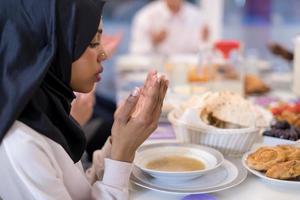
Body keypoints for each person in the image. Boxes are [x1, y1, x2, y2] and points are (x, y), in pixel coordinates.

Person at [0, 0, 168, 199]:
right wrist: (123, 153)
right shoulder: (22, 144)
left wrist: (120, 138)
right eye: (93, 43)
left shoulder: (48, 107)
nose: (104, 54)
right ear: (50, 46)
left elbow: (81, 192)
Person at [130, 0, 210, 55]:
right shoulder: (146, 16)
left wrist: (205, 42)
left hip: (188, 74)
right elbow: (136, 54)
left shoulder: (197, 16)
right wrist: (153, 42)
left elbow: (202, 52)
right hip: (156, 74)